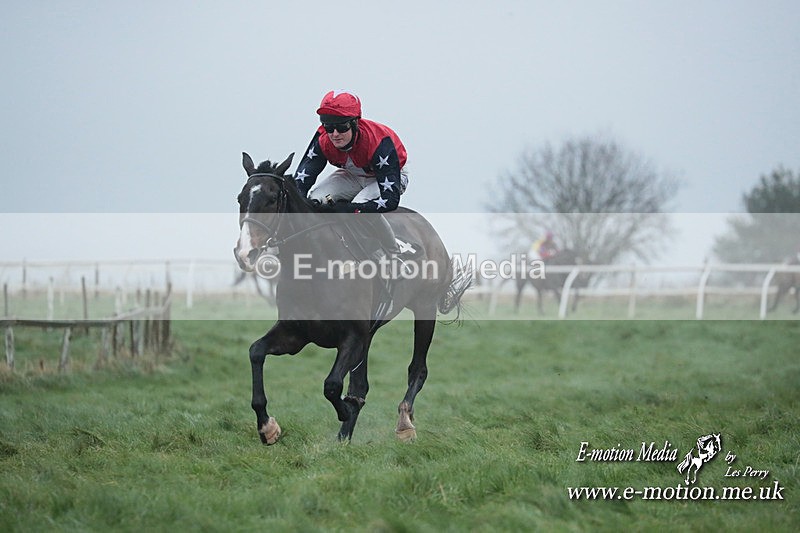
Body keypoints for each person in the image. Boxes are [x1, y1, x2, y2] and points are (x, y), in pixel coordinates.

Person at [293, 90, 408, 254]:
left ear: (355, 124)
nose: (334, 134)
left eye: (341, 127)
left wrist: (351, 209)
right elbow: (300, 186)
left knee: (360, 205)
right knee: (316, 199)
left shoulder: (379, 143)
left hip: (389, 177)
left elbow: (390, 200)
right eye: (329, 127)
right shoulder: (322, 139)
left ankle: (394, 252)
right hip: (352, 175)